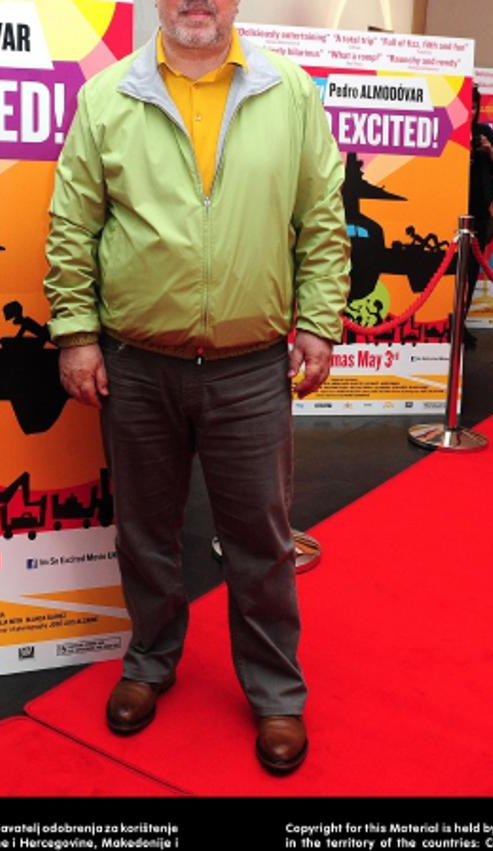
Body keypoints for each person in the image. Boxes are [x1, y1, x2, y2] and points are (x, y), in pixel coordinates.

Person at [42, 0, 349, 774]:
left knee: (261, 541)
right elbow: (73, 225)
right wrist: (77, 334)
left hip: (251, 366)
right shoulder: (107, 97)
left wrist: (317, 321)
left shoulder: (291, 93)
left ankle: (277, 695)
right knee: (145, 529)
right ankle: (149, 662)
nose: (196, 2)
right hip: (137, 364)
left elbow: (321, 218)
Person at [461, 85, 493, 348]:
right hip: (452, 214)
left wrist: (489, 149)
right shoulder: (451, 132)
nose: (471, 111)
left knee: (470, 273)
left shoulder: (483, 132)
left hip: (479, 215)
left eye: (475, 106)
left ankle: (462, 323)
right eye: (467, 105)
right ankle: (444, 323)